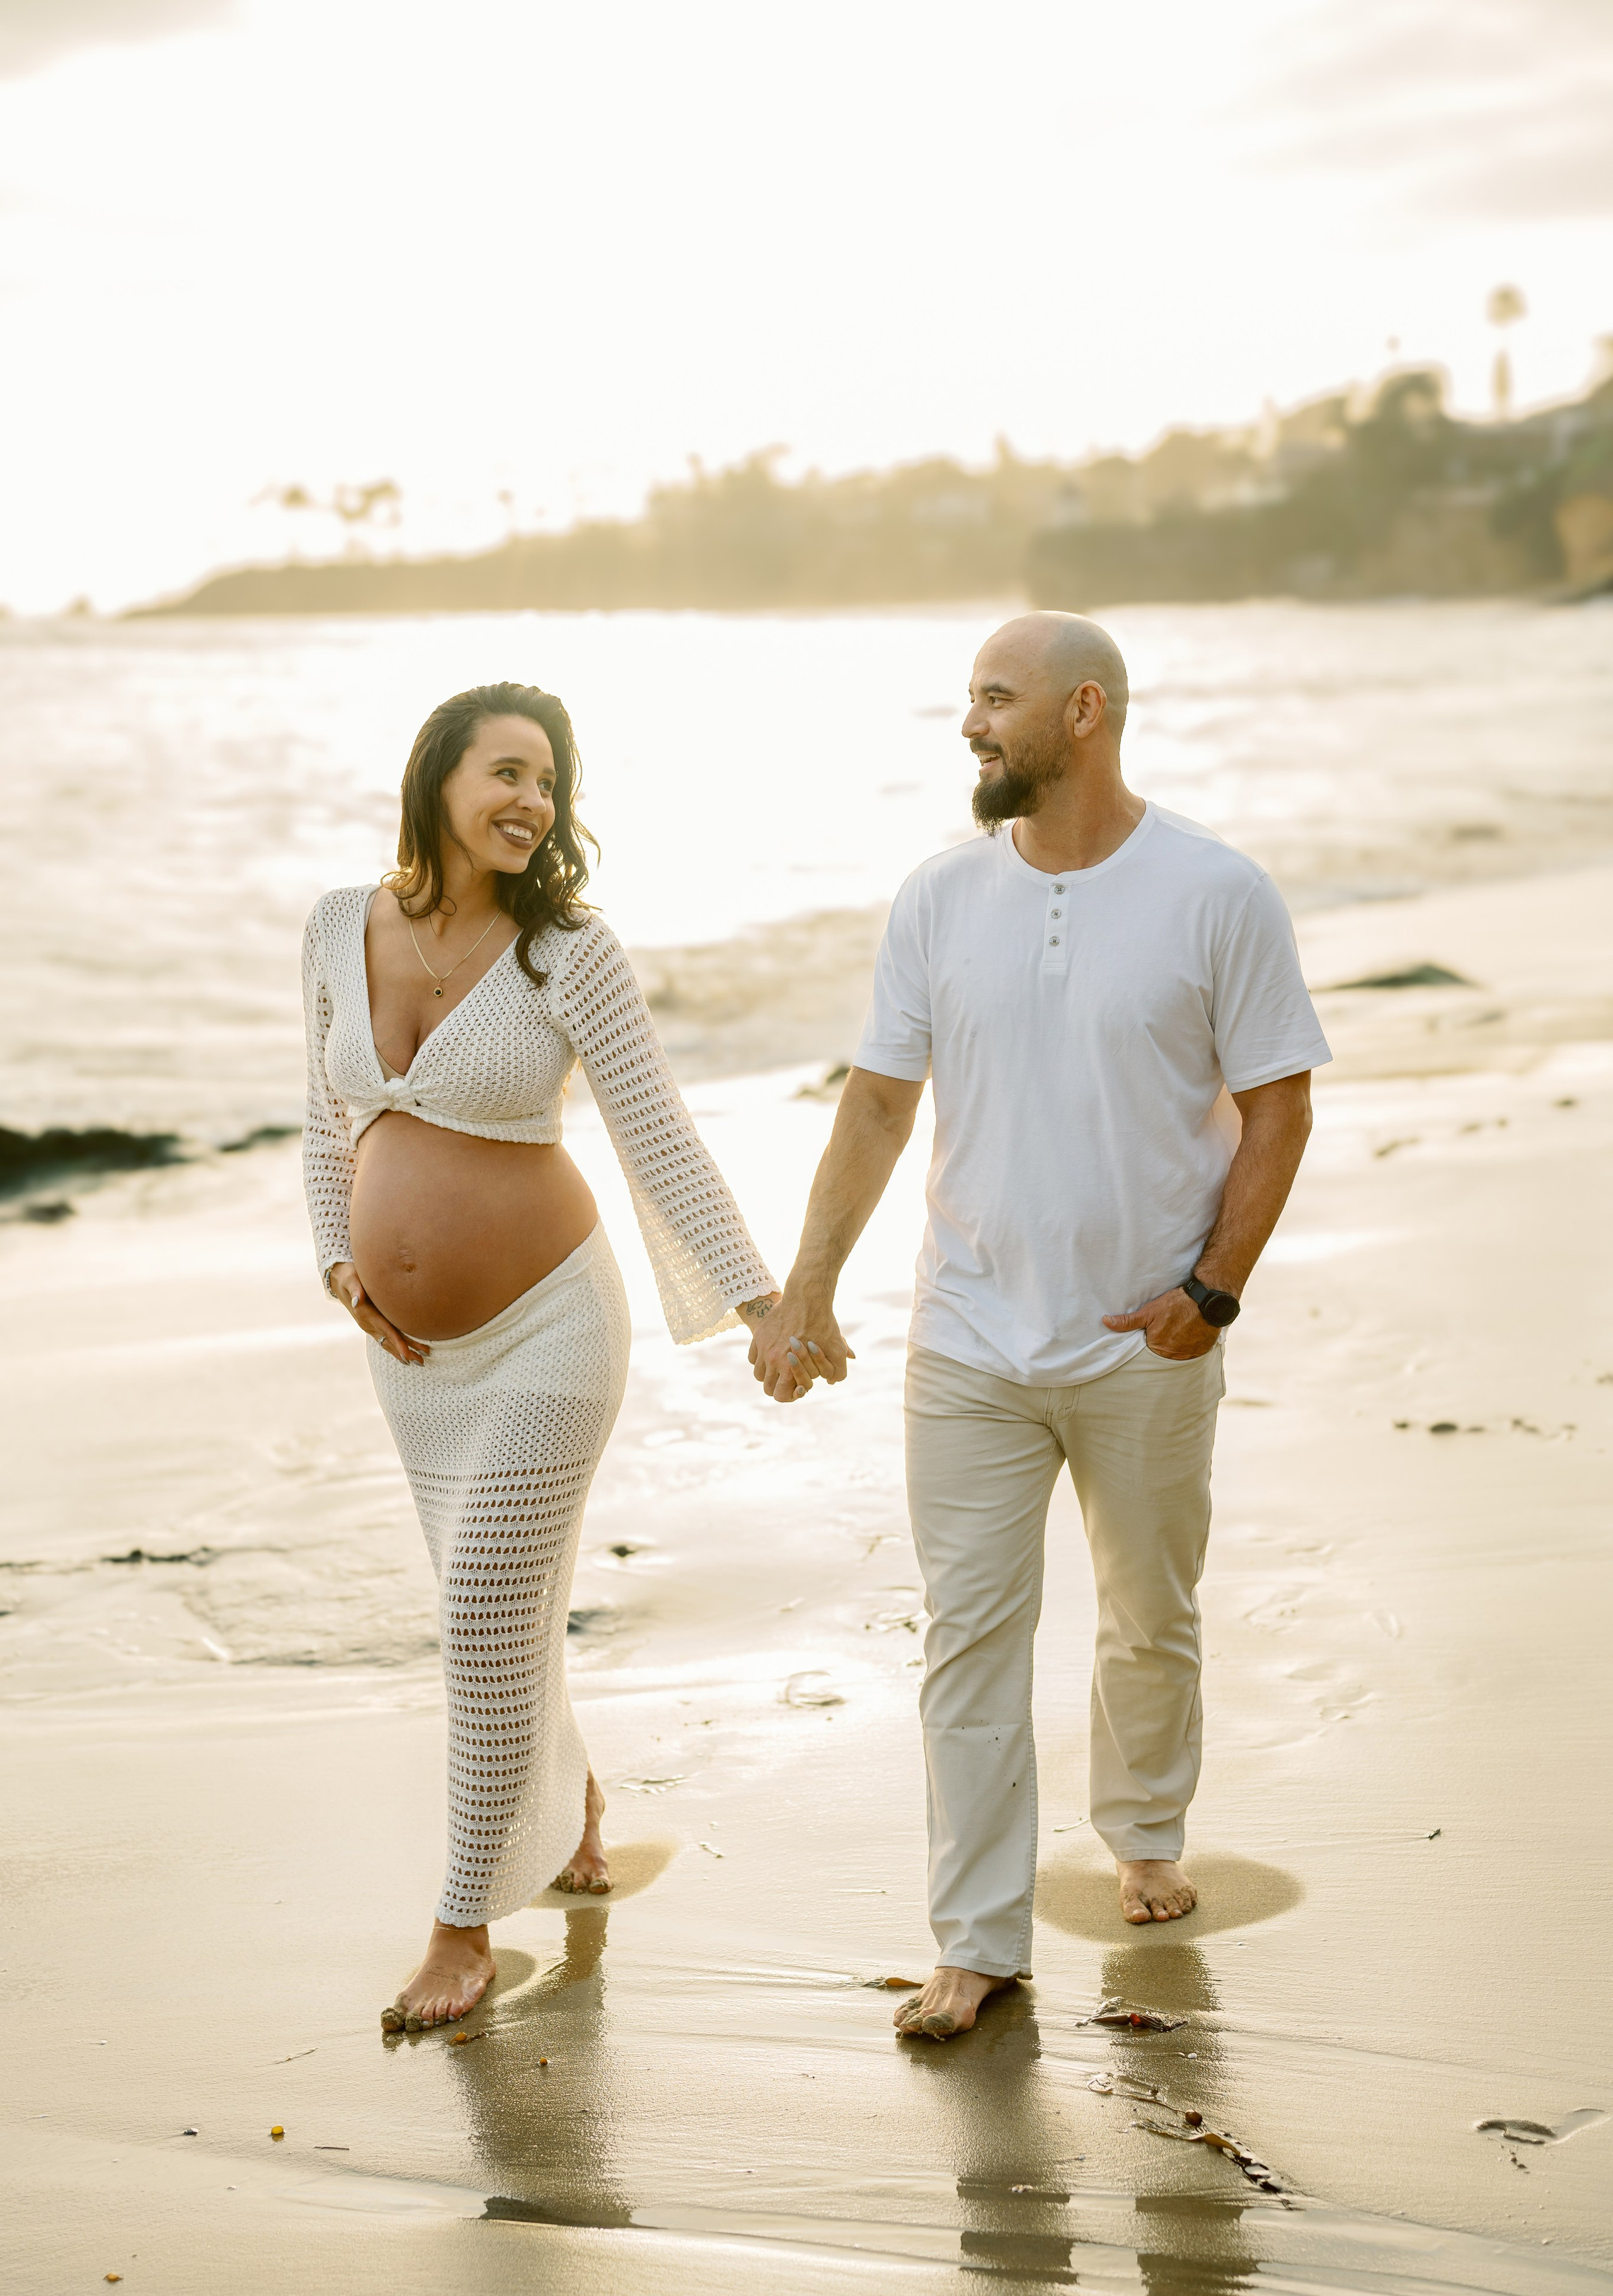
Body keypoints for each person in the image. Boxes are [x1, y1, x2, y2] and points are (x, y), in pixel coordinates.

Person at [749, 613, 1330, 2041]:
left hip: (1145, 1337)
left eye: (994, 700)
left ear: (1083, 712)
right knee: (968, 1638)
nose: (969, 724)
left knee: (1147, 1608)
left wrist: (1210, 1291)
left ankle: (1142, 1833)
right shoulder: (937, 898)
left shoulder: (1214, 892)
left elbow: (1278, 1102)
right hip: (964, 1340)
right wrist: (809, 1282)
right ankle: (977, 1939)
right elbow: (880, 1101)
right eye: (967, 698)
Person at [301, 682, 777, 2030]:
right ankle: (569, 1805)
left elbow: (657, 1134)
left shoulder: (567, 949)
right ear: (438, 777)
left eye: (550, 781)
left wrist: (759, 1303)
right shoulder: (340, 925)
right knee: (492, 1605)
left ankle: (460, 1929)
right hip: (409, 1358)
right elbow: (320, 1116)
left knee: (479, 1621)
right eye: (507, 771)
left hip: (548, 1333)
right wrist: (341, 1263)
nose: (531, 801)